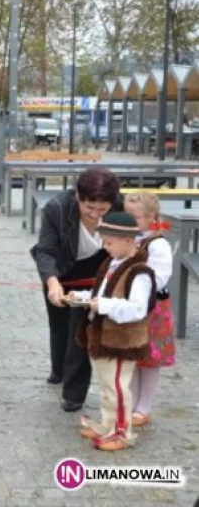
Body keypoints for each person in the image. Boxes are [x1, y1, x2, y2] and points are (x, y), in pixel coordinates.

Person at [31, 167, 121, 412]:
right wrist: (52, 282)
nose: (94, 214)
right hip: (61, 267)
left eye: (102, 209)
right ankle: (58, 369)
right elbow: (45, 250)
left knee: (81, 329)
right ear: (78, 197)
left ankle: (73, 394)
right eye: (88, 207)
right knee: (59, 323)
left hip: (99, 266)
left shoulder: (121, 208)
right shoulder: (57, 208)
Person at [68, 212, 155, 452]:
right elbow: (103, 295)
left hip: (120, 340)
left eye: (109, 242)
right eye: (104, 241)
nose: (105, 247)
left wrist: (103, 305)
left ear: (128, 241)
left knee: (116, 385)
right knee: (106, 384)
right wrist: (82, 297)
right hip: (103, 336)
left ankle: (121, 431)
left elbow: (137, 309)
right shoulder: (112, 263)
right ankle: (107, 424)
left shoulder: (139, 272)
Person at [123, 193, 175, 428]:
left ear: (151, 217)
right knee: (132, 357)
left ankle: (144, 407)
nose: (129, 220)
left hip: (152, 308)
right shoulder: (132, 239)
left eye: (134, 217)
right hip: (131, 307)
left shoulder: (158, 244)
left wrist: (138, 287)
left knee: (150, 359)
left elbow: (160, 277)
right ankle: (131, 404)